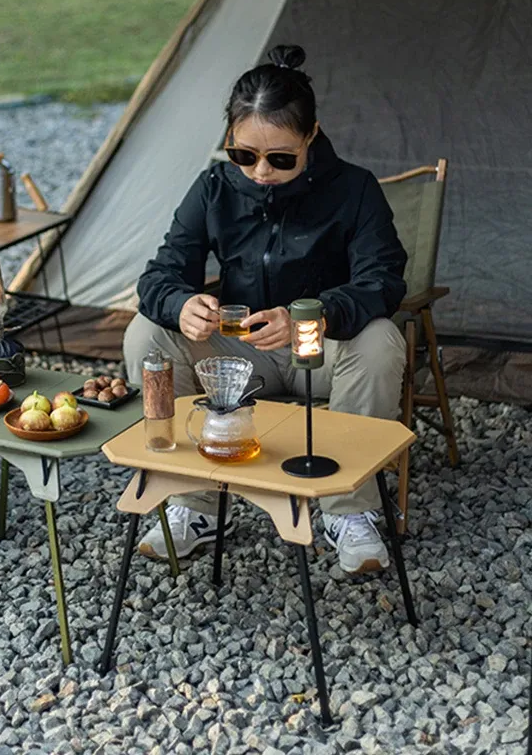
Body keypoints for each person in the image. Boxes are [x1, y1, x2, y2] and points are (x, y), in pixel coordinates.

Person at [124, 45, 407, 575]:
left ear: (312, 135)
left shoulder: (355, 190)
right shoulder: (213, 188)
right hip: (239, 355)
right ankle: (194, 501)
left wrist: (312, 316)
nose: (259, 172)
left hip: (318, 352)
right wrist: (181, 303)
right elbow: (160, 274)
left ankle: (349, 510)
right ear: (229, 141)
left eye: (280, 158)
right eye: (243, 155)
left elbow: (383, 281)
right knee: (147, 335)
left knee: (381, 339)